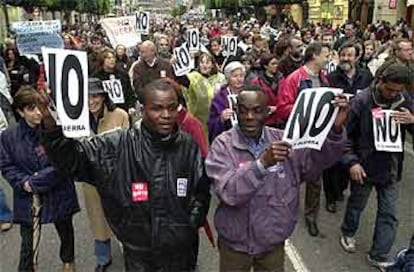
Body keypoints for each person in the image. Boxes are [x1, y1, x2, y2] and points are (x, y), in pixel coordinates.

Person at [40, 79, 211, 271]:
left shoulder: (188, 146)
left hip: (181, 254)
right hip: (139, 255)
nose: (166, 115)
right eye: (157, 108)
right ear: (142, 109)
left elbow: (201, 193)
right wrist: (52, 127)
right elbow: (71, 161)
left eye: (172, 108)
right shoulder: (116, 146)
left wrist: (188, 226)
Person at [205, 86, 348, 272]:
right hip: (235, 245)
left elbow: (315, 164)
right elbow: (228, 192)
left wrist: (335, 130)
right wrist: (262, 164)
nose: (249, 117)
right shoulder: (222, 145)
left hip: (272, 243)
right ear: (236, 110)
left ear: (267, 112)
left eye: (257, 111)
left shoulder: (284, 140)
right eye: (243, 110)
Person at [340, 63, 414, 271]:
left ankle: (379, 254)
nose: (393, 94)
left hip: (391, 169)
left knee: (389, 214)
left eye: (398, 91)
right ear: (380, 81)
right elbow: (345, 136)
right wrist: (352, 162)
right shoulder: (362, 100)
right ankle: (348, 231)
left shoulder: (405, 100)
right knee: (356, 205)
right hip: (364, 167)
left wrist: (412, 120)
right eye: (389, 89)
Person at [0, 87, 79, 272]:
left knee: (65, 229)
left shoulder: (57, 129)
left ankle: (68, 263)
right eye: (31, 108)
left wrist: (36, 181)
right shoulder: (8, 137)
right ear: (20, 111)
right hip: (28, 196)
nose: (38, 112)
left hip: (58, 190)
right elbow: (6, 165)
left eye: (39, 107)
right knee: (27, 242)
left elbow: (65, 162)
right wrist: (23, 183)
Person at [276, 42, 331, 237]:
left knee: (315, 178)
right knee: (292, 176)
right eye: (326, 54)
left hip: (317, 137)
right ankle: (283, 211)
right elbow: (282, 108)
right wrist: (306, 111)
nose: (329, 58)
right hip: (298, 137)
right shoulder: (294, 79)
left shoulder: (324, 78)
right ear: (314, 56)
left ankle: (311, 217)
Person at [85, 78, 129, 272]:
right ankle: (103, 259)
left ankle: (131, 255)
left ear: (103, 97)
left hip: (117, 179)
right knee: (98, 221)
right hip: (91, 182)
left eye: (94, 96)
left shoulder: (120, 115)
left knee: (124, 219)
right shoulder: (75, 121)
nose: (90, 101)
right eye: (85, 97)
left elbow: (130, 146)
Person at [323, 41, 373, 213]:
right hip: (336, 126)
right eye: (343, 55)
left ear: (357, 57)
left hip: (358, 128)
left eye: (349, 55)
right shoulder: (331, 78)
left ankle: (340, 189)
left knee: (349, 162)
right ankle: (330, 196)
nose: (345, 58)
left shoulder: (366, 76)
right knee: (332, 164)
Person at [185, 53, 226, 142]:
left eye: (207, 62)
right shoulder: (192, 77)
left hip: (217, 122)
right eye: (202, 62)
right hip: (198, 121)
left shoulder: (221, 78)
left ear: (212, 65)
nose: (204, 65)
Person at [208, 61, 246, 143]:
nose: (239, 79)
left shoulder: (250, 93)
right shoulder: (219, 98)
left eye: (241, 76)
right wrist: (221, 119)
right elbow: (211, 123)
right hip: (228, 139)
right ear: (228, 78)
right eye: (235, 76)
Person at [93, 48, 136, 113]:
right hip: (104, 112)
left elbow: (130, 93)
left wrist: (131, 106)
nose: (112, 60)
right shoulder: (96, 77)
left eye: (113, 57)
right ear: (102, 60)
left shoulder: (123, 74)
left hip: (123, 110)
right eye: (108, 58)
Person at [250, 53, 284, 127]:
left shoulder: (282, 79)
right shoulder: (257, 82)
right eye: (273, 64)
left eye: (276, 63)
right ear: (265, 66)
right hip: (266, 120)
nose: (276, 66)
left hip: (281, 119)